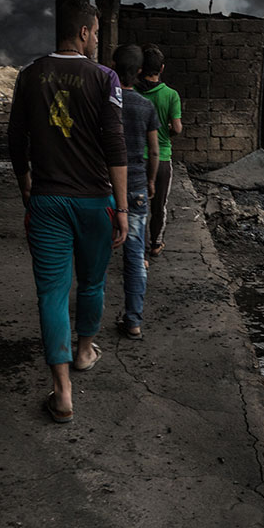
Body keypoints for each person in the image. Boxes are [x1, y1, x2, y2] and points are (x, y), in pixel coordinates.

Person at [7, 1, 128, 424]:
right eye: (95, 33)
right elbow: (116, 145)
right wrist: (124, 207)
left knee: (52, 293)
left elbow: (15, 137)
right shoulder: (104, 77)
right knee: (92, 282)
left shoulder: (29, 75)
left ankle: (62, 392)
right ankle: (83, 350)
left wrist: (25, 183)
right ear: (82, 32)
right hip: (95, 201)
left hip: (47, 202)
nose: (97, 40)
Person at [111, 44, 160, 339]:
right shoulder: (146, 106)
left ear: (113, 65)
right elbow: (154, 151)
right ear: (140, 71)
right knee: (135, 255)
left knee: (97, 253)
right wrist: (151, 181)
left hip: (105, 188)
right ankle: (133, 321)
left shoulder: (105, 103)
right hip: (138, 187)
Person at [136, 44, 183, 258]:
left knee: (137, 204)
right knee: (159, 204)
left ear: (140, 69)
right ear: (161, 69)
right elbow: (177, 127)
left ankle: (137, 247)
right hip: (162, 156)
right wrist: (167, 133)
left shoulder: (133, 93)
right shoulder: (171, 95)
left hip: (136, 157)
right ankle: (155, 244)